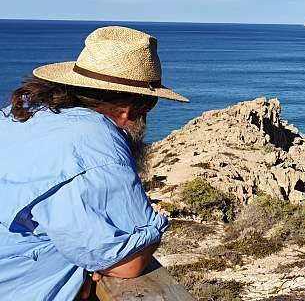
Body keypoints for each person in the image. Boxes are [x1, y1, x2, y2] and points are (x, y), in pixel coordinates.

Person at [0, 26, 188, 300]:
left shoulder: (23, 112)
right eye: (148, 107)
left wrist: (83, 255)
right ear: (128, 110)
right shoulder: (96, 143)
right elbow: (127, 264)